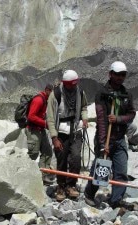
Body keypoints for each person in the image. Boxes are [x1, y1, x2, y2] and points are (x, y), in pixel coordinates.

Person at [84, 61, 136, 209]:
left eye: (123, 75)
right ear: (110, 74)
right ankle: (89, 193)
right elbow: (101, 119)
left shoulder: (127, 94)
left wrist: (118, 119)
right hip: (105, 138)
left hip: (119, 139)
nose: (120, 78)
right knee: (101, 169)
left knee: (121, 171)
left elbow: (131, 114)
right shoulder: (102, 94)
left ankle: (116, 200)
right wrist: (102, 144)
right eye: (117, 74)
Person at [47, 70, 88, 201]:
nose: (73, 86)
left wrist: (85, 118)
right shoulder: (55, 95)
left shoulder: (80, 92)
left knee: (76, 158)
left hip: (76, 130)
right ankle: (61, 185)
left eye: (75, 84)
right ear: (65, 83)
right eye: (71, 84)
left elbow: (84, 107)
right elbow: (50, 118)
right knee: (61, 158)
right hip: (61, 132)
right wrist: (54, 137)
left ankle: (71, 185)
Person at [26, 84, 54, 185]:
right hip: (33, 130)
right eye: (52, 93)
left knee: (47, 152)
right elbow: (31, 116)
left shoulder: (45, 100)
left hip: (40, 130)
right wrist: (45, 123)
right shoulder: (39, 100)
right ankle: (24, 174)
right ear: (47, 90)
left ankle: (44, 175)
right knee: (33, 154)